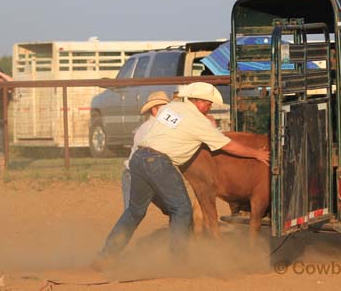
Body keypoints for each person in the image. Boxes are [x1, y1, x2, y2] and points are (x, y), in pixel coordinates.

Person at [92, 82, 269, 270]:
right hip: (158, 161)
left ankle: (106, 255)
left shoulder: (172, 107)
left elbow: (173, 126)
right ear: (200, 101)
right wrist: (256, 153)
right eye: (209, 103)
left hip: (139, 159)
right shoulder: (198, 122)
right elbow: (227, 145)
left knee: (134, 211)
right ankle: (178, 261)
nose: (210, 107)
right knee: (182, 209)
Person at [121, 91, 170, 212]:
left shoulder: (153, 127)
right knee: (132, 212)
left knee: (175, 208)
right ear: (154, 110)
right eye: (165, 109)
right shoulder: (150, 128)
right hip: (138, 174)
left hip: (146, 173)